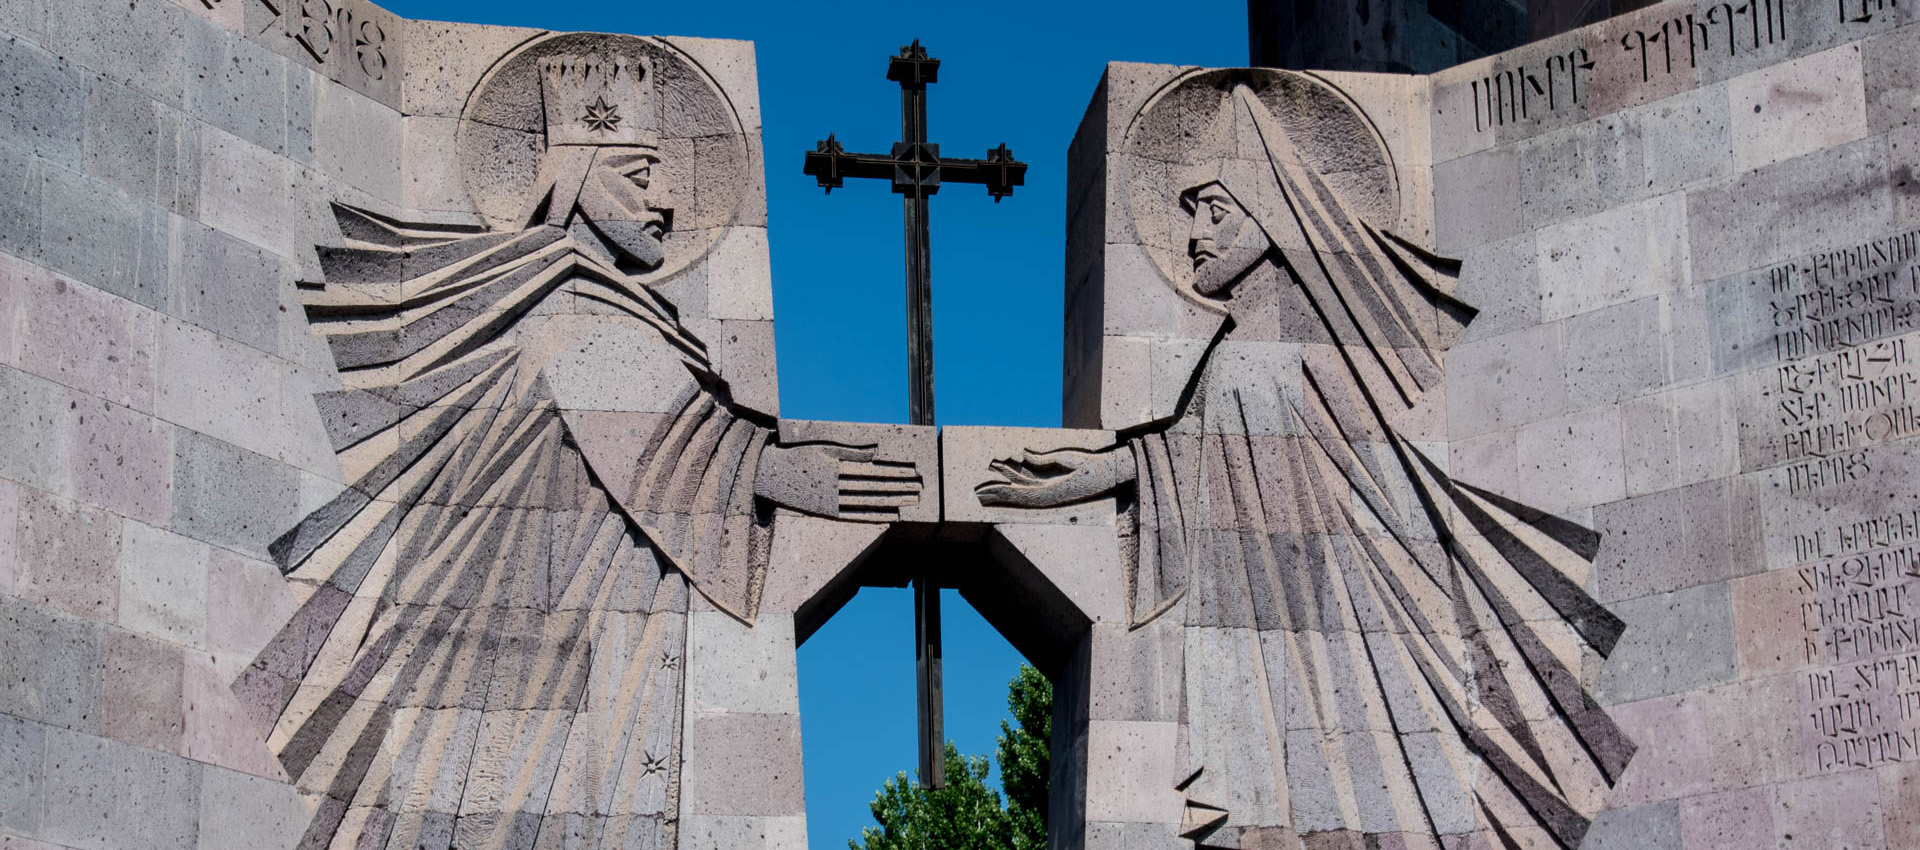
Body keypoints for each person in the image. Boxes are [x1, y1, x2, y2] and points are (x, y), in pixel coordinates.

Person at [236, 49, 913, 850]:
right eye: (639, 176)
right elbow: (651, 425)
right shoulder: (564, 297)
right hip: (518, 655)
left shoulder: (609, 309)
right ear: (578, 175)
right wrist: (777, 471)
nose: (666, 201)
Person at [979, 81, 1633, 849]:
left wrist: (1110, 471)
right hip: (1280, 628)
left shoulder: (1290, 343)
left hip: (1363, 623)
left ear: (1272, 209)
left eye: (1216, 211)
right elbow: (1200, 449)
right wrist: (1099, 472)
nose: (1196, 233)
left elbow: (1337, 478)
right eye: (1191, 213)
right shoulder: (1237, 356)